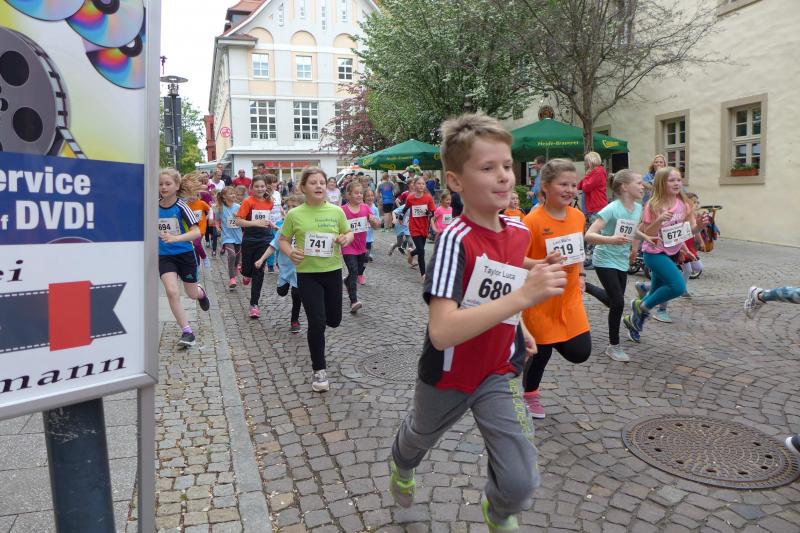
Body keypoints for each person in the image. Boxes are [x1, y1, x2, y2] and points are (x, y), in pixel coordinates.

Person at [389, 114, 567, 533]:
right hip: (448, 375)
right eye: (488, 168)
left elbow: (503, 273)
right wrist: (523, 298)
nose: (504, 176)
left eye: (506, 165)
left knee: (521, 481)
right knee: (419, 437)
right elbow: (442, 331)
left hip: (499, 370)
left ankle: (498, 510)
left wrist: (522, 315)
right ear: (455, 181)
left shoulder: (518, 231)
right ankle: (401, 464)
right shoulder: (454, 239)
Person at [521, 159, 592, 419]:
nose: (570, 190)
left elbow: (577, 252)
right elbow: (516, 259)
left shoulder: (578, 216)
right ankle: (529, 394)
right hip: (541, 298)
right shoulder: (532, 221)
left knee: (580, 351)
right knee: (541, 352)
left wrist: (581, 274)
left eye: (573, 185)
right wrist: (543, 262)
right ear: (546, 186)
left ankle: (538, 344)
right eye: (563, 184)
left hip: (569, 296)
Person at [279, 167, 353, 392]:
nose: (319, 186)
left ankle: (326, 322)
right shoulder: (294, 214)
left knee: (334, 320)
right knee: (317, 322)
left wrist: (345, 238)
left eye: (322, 182)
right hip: (307, 275)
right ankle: (319, 371)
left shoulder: (336, 211)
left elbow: (348, 233)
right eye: (313, 182)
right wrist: (291, 252)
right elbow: (283, 240)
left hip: (332, 272)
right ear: (303, 188)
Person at [623, 166, 708, 342]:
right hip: (654, 254)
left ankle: (634, 321)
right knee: (677, 286)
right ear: (662, 183)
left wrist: (698, 227)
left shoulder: (684, 204)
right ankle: (641, 308)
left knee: (655, 292)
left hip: (672, 253)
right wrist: (659, 221)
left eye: (679, 180)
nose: (677, 183)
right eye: (672, 180)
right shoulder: (653, 205)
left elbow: (688, 231)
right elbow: (648, 233)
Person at [583, 170, 647, 362]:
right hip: (604, 259)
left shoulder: (638, 208)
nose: (643, 186)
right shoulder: (611, 208)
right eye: (639, 183)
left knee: (613, 301)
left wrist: (642, 241)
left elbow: (633, 230)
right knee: (618, 303)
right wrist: (611, 239)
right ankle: (613, 346)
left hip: (621, 260)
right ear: (625, 187)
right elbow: (589, 235)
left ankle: (586, 286)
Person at [157, 169, 211, 347]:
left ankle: (200, 292)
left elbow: (196, 232)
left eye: (168, 184)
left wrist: (176, 238)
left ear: (177, 186)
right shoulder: (153, 207)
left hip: (185, 254)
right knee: (172, 291)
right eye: (160, 184)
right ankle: (187, 331)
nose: (163, 187)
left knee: (191, 294)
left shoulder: (182, 206)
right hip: (164, 256)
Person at [255, 194, 304, 334]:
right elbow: (273, 246)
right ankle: (284, 283)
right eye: (289, 207)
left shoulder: (306, 228)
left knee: (297, 294)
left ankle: (294, 321)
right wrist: (261, 259)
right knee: (281, 292)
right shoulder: (284, 228)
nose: (291, 210)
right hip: (285, 268)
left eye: (295, 207)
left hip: (300, 269)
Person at [235, 174, 277, 319]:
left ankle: (254, 304)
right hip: (250, 238)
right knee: (248, 270)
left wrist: (272, 225)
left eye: (262, 186)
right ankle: (246, 273)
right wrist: (255, 223)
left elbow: (266, 218)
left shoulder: (269, 202)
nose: (260, 189)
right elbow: (238, 221)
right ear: (252, 188)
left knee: (258, 271)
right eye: (257, 186)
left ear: (266, 187)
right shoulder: (248, 202)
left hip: (265, 238)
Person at [341, 181, 381, 312]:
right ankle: (353, 301)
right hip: (348, 247)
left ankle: (347, 281)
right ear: (349, 195)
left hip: (361, 247)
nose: (359, 195)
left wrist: (375, 222)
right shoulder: (342, 210)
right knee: (353, 271)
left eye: (360, 193)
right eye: (356, 193)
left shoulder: (365, 208)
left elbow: (376, 225)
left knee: (357, 271)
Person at [578, 151, 609, 270]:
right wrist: (587, 176)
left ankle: (593, 260)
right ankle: (590, 258)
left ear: (592, 161)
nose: (585, 164)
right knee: (591, 233)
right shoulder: (593, 172)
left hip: (596, 206)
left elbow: (586, 187)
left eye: (586, 161)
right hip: (591, 207)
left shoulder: (598, 172)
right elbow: (579, 185)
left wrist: (587, 176)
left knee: (593, 234)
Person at [403, 176, 436, 278]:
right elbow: (405, 208)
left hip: (424, 226)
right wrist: (400, 217)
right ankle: (423, 274)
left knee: (420, 249)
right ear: (414, 185)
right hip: (414, 227)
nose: (421, 186)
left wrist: (429, 213)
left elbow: (433, 212)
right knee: (421, 251)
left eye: (423, 184)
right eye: (419, 183)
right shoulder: (410, 198)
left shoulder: (428, 198)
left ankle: (412, 253)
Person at [217, 186, 243, 289]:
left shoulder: (238, 206)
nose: (233, 195)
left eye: (234, 193)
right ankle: (232, 279)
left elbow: (243, 219)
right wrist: (217, 227)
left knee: (237, 257)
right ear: (224, 196)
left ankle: (236, 266)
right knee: (231, 255)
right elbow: (216, 220)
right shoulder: (220, 208)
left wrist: (238, 217)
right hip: (227, 236)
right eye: (231, 193)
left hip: (238, 236)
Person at [186, 187, 213, 270]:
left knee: (196, 243)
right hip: (191, 229)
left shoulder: (201, 203)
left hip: (201, 228)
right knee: (195, 247)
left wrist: (210, 218)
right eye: (190, 195)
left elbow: (210, 209)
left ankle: (204, 257)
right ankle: (197, 265)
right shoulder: (186, 205)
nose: (192, 197)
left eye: (194, 195)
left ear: (197, 195)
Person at [364, 188, 380, 262]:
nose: (370, 197)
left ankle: (368, 255)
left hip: (369, 235)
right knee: (362, 255)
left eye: (372, 195)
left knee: (366, 255)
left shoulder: (375, 209)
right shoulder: (361, 206)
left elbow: (378, 222)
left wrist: (375, 221)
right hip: (360, 235)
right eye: (368, 196)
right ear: (364, 197)